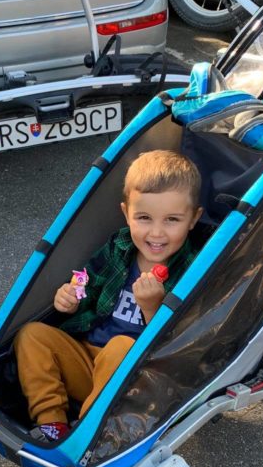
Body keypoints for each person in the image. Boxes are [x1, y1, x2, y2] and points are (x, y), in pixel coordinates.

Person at [13, 149, 203, 442]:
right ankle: (52, 424)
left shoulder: (192, 268)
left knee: (121, 346)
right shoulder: (119, 246)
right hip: (90, 358)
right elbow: (87, 283)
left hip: (136, 379)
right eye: (144, 218)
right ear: (126, 213)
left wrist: (153, 309)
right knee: (32, 335)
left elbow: (179, 346)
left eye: (172, 220)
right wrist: (71, 298)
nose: (156, 233)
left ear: (193, 219)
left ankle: (86, 432)